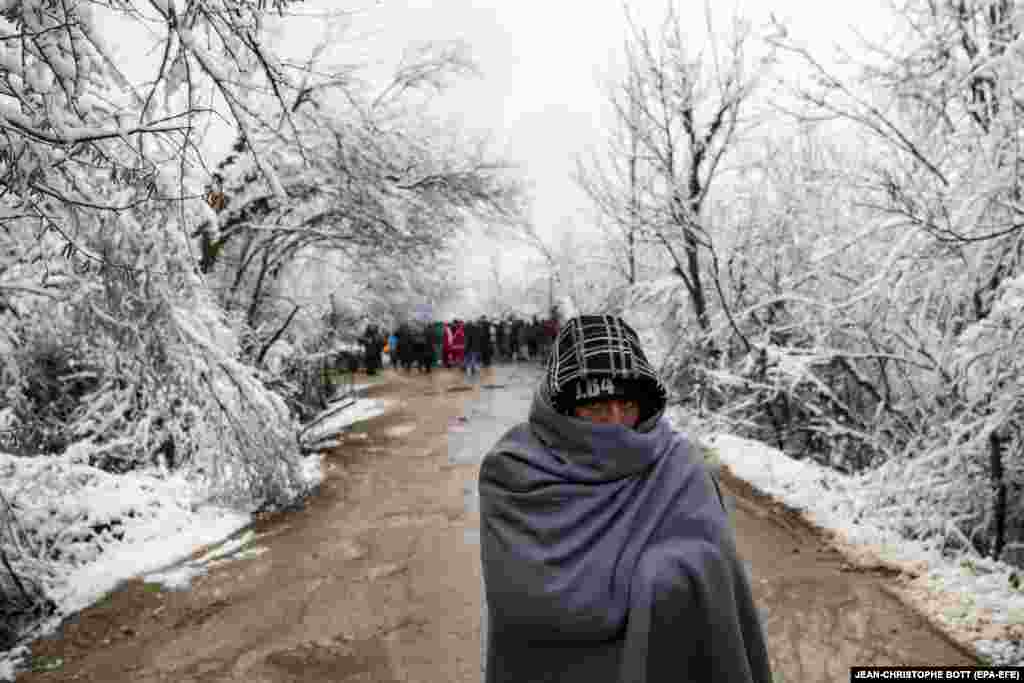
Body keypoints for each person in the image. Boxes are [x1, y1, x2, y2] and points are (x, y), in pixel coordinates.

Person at [478, 314, 772, 683]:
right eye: (597, 408)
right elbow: (522, 602)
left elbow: (720, 582)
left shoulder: (679, 466)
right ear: (562, 410)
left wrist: (664, 576)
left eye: (628, 406)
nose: (616, 423)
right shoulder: (515, 474)